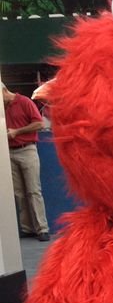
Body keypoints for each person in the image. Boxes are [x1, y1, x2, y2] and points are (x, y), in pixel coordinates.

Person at [3, 82, 49, 240]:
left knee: (33, 190)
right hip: (9, 151)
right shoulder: (4, 108)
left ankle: (42, 228)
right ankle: (28, 228)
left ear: (4, 90)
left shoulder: (24, 102)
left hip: (27, 149)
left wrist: (17, 131)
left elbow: (39, 123)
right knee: (19, 193)